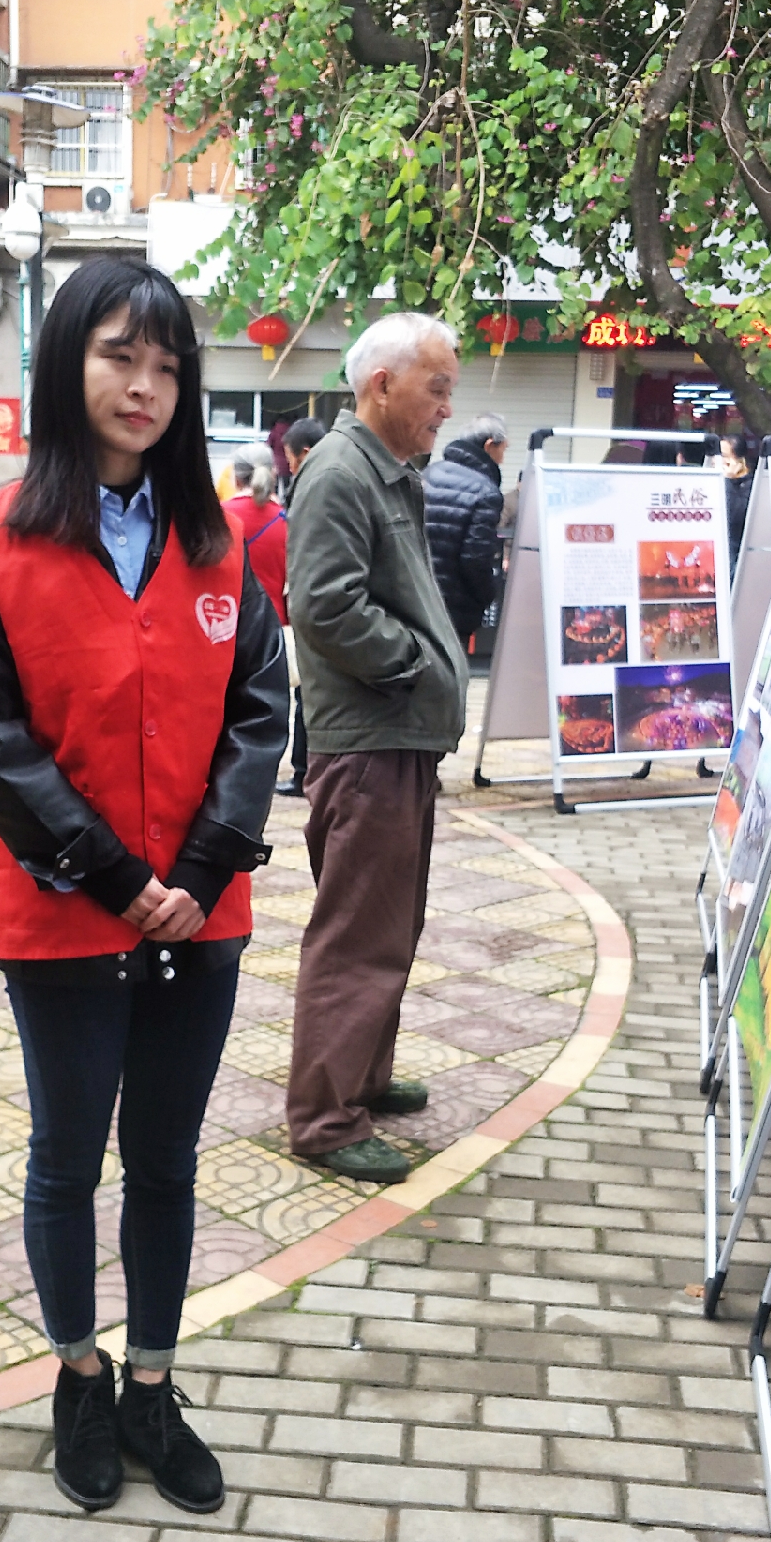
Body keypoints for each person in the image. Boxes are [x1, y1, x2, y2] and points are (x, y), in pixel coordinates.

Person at [0, 257, 285, 1516]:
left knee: (169, 1161)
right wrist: (121, 879)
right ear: (66, 363)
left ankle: (151, 1381)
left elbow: (259, 714)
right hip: (62, 912)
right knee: (67, 1155)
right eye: (118, 356)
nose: (144, 386)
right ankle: (77, 1373)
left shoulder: (220, 543)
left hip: (203, 915)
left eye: (167, 364)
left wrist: (194, 873)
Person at [283, 315, 468, 1185]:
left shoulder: (391, 472)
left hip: (396, 738)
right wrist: (413, 667)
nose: (447, 405)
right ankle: (325, 1117)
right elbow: (322, 605)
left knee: (391, 921)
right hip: (370, 741)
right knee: (358, 933)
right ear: (382, 384)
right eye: (437, 386)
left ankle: (362, 1077)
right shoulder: (342, 471)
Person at [423, 412, 509, 651]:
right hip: (455, 609)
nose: (502, 458)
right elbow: (476, 560)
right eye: (503, 449)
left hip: (417, 600)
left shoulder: (428, 474)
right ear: (489, 445)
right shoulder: (486, 492)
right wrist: (487, 595)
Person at [275, 417, 328, 796]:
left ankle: (303, 772)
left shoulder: (314, 490)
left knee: (306, 697)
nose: (288, 468)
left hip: (314, 613)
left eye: (290, 459)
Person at [225, 440, 289, 623]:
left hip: (228, 625)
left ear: (236, 479)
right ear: (273, 475)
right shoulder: (287, 521)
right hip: (273, 624)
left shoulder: (217, 517)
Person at [717, 433, 754, 572]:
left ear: (740, 462)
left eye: (723, 456)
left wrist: (728, 480)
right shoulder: (713, 482)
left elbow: (732, 516)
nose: (717, 461)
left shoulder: (750, 485)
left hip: (737, 553)